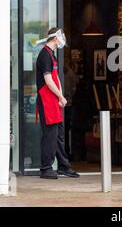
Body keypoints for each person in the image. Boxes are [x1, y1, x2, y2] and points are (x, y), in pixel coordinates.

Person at [35, 27, 79, 179]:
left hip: (54, 100)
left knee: (58, 134)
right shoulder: (45, 55)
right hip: (48, 100)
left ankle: (63, 166)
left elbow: (55, 79)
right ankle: (46, 168)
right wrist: (61, 96)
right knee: (50, 135)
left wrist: (60, 97)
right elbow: (48, 81)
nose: (62, 41)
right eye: (61, 37)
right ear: (55, 38)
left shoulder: (51, 54)